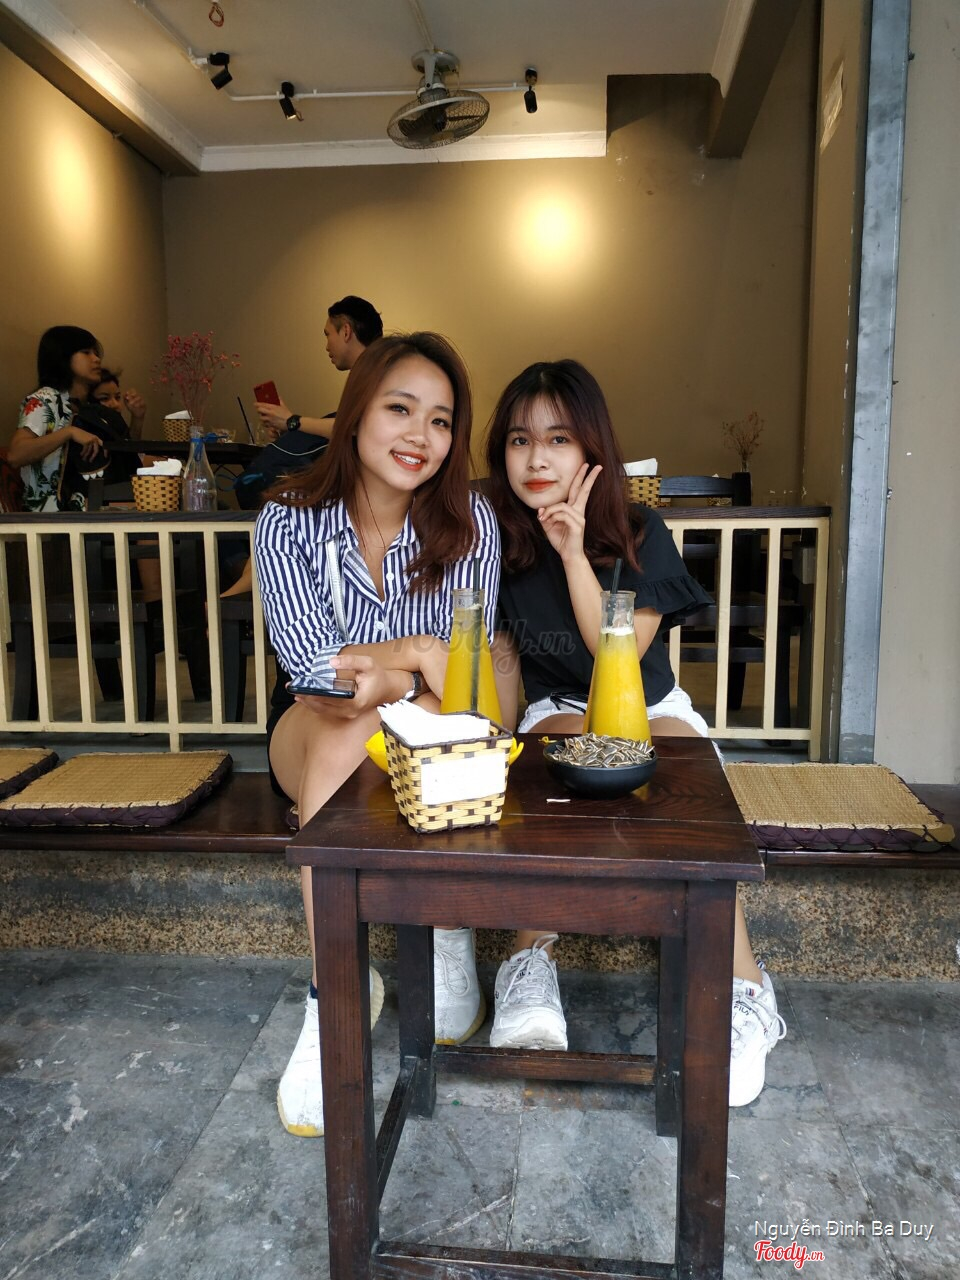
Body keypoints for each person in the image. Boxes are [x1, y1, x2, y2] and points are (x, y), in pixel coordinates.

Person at [484, 359, 786, 1107]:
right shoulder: (499, 541)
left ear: (593, 449)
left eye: (559, 439)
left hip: (650, 705)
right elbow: (505, 656)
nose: (537, 458)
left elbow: (615, 653)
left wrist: (572, 551)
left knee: (686, 785)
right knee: (552, 757)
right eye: (520, 440)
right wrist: (491, 746)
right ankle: (529, 962)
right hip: (559, 704)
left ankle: (744, 988)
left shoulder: (642, 533)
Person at [253, 331, 500, 1137]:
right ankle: (338, 990)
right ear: (356, 413)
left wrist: (408, 672)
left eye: (440, 420)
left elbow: (463, 675)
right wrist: (414, 656)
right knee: (340, 730)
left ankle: (445, 930)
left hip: (429, 728)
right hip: (312, 728)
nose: (419, 436)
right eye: (400, 409)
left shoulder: (471, 522)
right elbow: (312, 670)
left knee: (426, 724)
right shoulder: (288, 520)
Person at [251, 294, 384, 440]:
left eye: (328, 335)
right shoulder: (369, 373)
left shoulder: (380, 375)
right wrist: (288, 428)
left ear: (346, 332)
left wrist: (291, 421)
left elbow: (355, 427)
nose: (327, 347)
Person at [8, 326, 109, 510]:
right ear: (63, 357)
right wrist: (69, 432)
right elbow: (16, 455)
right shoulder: (45, 399)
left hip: (87, 512)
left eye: (96, 353)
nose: (96, 359)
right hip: (49, 517)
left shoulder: (87, 406)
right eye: (86, 352)